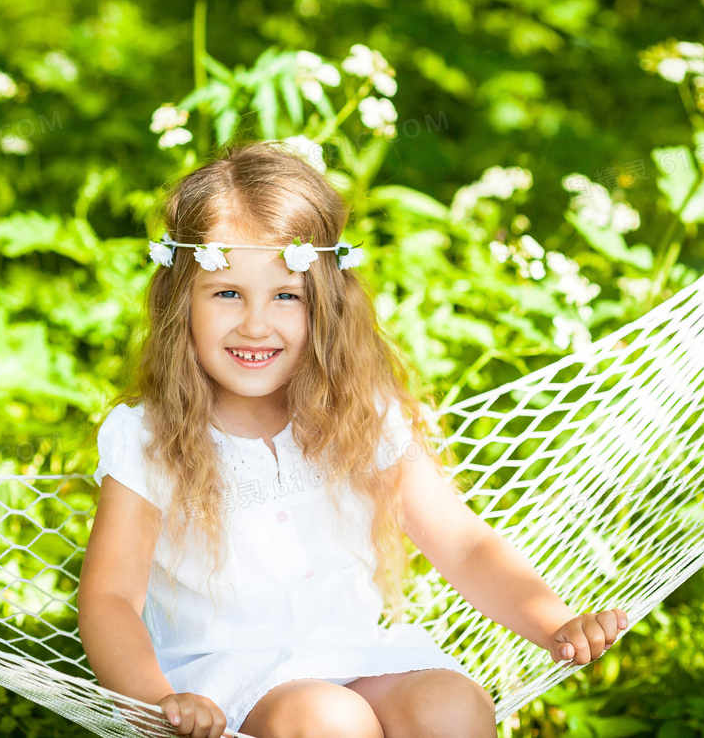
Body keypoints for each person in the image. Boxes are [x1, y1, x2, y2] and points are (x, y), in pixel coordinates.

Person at [77, 140, 628, 738]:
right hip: (226, 682)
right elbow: (110, 598)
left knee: (453, 701)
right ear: (181, 301)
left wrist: (553, 624)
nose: (256, 323)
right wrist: (158, 700)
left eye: (287, 295)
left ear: (327, 307)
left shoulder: (359, 415)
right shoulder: (150, 439)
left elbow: (465, 547)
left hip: (356, 654)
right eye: (228, 292)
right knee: (329, 720)